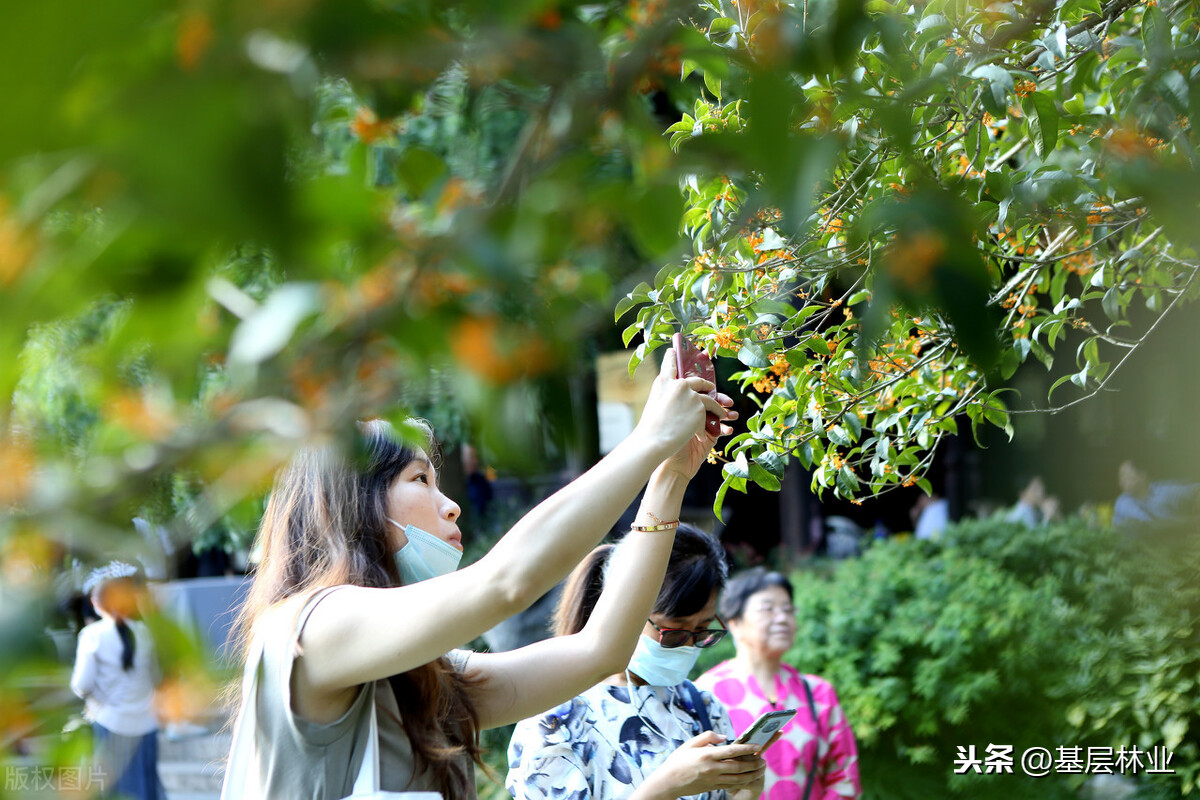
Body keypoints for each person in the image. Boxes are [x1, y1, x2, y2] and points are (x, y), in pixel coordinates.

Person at [220, 349, 735, 799]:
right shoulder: (311, 627)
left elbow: (599, 651)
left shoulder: (424, 673)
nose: (451, 508)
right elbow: (506, 582)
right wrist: (647, 441)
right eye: (420, 479)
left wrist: (670, 476)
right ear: (349, 503)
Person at [507, 525, 768, 800]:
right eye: (674, 631)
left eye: (702, 630)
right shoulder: (556, 721)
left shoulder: (701, 707)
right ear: (621, 610)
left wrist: (748, 788)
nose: (688, 646)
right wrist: (665, 788)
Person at [695, 569, 861, 800]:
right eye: (768, 609)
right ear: (735, 623)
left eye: (787, 609)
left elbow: (844, 776)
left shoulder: (818, 693)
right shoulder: (704, 693)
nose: (782, 618)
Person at [70, 562, 165, 800]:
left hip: (109, 722)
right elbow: (157, 678)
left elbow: (82, 685)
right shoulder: (146, 632)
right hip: (146, 722)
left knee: (114, 788)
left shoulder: (91, 635)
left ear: (96, 603)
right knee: (146, 786)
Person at [1113, 459, 1200, 531]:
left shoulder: (1164, 492)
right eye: (1120, 477)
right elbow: (1118, 529)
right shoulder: (1122, 503)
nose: (1122, 481)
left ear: (1142, 475)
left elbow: (1195, 490)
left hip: (1179, 544)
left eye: (1126, 476)